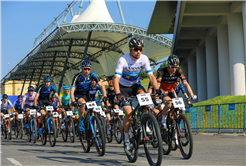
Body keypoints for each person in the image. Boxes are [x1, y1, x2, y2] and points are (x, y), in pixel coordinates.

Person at [114, 37, 160, 154]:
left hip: (135, 85)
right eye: (135, 49)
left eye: (140, 49)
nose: (138, 51)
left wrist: (158, 90)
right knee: (129, 113)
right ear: (130, 49)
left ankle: (146, 126)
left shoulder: (144, 59)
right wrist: (118, 94)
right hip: (124, 88)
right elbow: (116, 79)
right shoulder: (123, 60)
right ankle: (126, 139)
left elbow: (151, 76)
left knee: (145, 103)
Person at [156, 54, 197, 145]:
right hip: (163, 92)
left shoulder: (179, 71)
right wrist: (158, 93)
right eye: (172, 67)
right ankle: (163, 119)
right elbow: (157, 84)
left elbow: (185, 83)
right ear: (168, 65)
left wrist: (192, 94)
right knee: (169, 103)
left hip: (171, 91)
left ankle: (175, 133)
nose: (174, 69)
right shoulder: (162, 71)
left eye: (176, 67)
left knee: (178, 112)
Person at [70, 60, 107, 132]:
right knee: (82, 104)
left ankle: (92, 126)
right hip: (78, 94)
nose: (87, 71)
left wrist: (104, 95)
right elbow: (72, 90)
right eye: (85, 69)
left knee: (93, 109)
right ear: (81, 68)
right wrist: (73, 101)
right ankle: (80, 123)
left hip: (87, 94)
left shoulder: (93, 75)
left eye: (89, 69)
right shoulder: (77, 76)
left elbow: (101, 85)